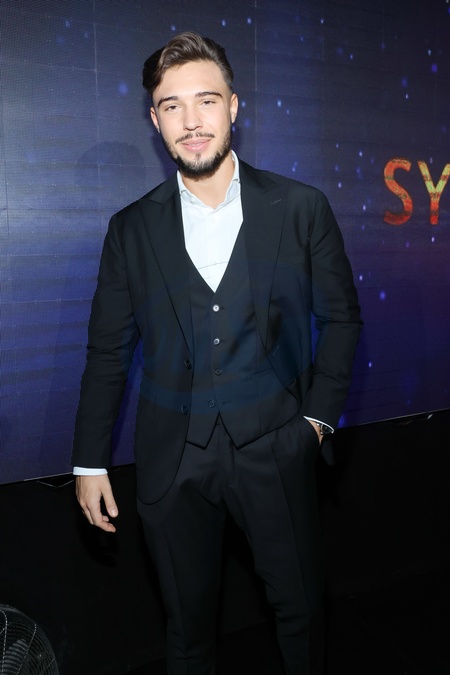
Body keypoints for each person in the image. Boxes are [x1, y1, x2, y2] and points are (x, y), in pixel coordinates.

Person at [73, 31, 362, 675]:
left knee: (301, 613)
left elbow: (341, 319)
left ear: (233, 106)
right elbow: (107, 351)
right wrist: (89, 462)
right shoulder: (130, 229)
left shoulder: (301, 207)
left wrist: (315, 423)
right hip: (171, 462)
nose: (191, 120)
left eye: (205, 100)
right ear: (155, 121)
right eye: (171, 105)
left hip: (276, 448)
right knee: (186, 631)